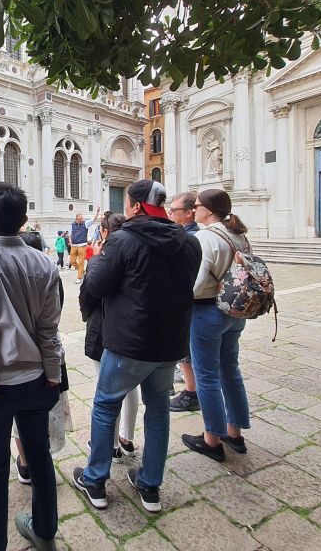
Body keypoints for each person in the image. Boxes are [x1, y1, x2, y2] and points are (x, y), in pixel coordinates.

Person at [72, 180, 201, 514]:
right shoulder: (189, 243)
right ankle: (149, 485)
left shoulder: (123, 240)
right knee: (157, 411)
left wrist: (99, 259)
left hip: (129, 343)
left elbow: (97, 285)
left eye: (129, 203)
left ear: (138, 206)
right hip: (170, 344)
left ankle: (95, 480)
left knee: (105, 406)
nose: (127, 208)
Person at [0, 182, 64, 551]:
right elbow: (49, 331)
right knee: (39, 455)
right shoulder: (44, 263)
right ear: (24, 220)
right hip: (38, 380)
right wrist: (53, 375)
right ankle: (45, 530)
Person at [181, 189, 254, 463]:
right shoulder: (239, 236)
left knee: (208, 376)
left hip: (207, 312)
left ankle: (212, 439)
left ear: (208, 210)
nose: (194, 209)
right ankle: (234, 433)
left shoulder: (205, 237)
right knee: (231, 371)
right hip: (235, 311)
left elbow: (198, 284)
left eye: (197, 206)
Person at [13, 231, 73, 485]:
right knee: (49, 407)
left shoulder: (11, 276)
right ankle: (42, 459)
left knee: (20, 413)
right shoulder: (51, 275)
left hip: (18, 354)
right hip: (49, 352)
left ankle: (25, 464)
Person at [80, 211, 138, 460]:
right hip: (132, 330)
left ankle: (111, 445)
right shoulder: (137, 254)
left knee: (106, 389)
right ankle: (127, 438)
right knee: (129, 386)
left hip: (104, 329)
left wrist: (94, 258)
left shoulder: (104, 259)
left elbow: (88, 296)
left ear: (104, 233)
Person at [167, 192, 201, 412]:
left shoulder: (190, 238)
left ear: (189, 213)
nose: (170, 214)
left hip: (189, 304)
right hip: (188, 302)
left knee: (186, 350)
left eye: (174, 210)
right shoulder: (188, 234)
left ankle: (191, 392)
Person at [68, 207, 101, 284]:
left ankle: (79, 277)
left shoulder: (85, 223)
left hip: (82, 245)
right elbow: (70, 234)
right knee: (72, 261)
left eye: (82, 218)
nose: (81, 220)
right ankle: (82, 271)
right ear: (76, 219)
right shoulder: (72, 225)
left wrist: (97, 212)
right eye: (80, 219)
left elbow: (93, 220)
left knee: (81, 262)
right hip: (74, 245)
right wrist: (71, 243)